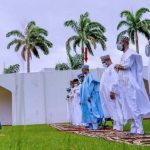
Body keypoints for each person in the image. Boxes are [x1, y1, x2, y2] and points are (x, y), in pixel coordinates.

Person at [114, 36, 150, 135]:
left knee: (133, 106)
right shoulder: (123, 55)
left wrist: (119, 66)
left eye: (119, 42)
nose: (118, 45)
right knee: (128, 107)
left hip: (130, 84)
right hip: (124, 84)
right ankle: (133, 128)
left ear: (124, 43)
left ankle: (139, 129)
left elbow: (127, 65)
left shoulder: (131, 53)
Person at [100, 55, 125, 131]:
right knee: (112, 109)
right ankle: (116, 124)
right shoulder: (107, 69)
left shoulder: (113, 67)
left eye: (103, 62)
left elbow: (115, 80)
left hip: (113, 93)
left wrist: (112, 91)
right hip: (107, 94)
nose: (103, 63)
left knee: (116, 108)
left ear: (107, 60)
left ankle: (119, 125)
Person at [80, 65, 104, 130]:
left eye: (82, 69)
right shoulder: (86, 77)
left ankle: (95, 126)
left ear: (86, 69)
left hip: (90, 97)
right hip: (86, 98)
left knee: (92, 110)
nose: (82, 71)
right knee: (88, 111)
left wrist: (89, 95)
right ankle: (91, 126)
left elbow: (91, 86)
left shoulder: (90, 76)